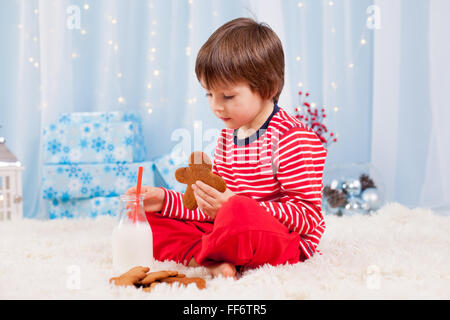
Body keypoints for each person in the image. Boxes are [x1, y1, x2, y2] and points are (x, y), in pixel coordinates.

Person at [126, 17, 327, 279]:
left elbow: (307, 215)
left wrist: (235, 205)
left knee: (237, 212)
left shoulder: (291, 138)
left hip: (286, 242)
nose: (216, 106)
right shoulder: (226, 137)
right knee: (150, 222)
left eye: (228, 96)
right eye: (209, 94)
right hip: (231, 229)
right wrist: (166, 201)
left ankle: (212, 251)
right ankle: (212, 259)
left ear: (269, 88)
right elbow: (208, 204)